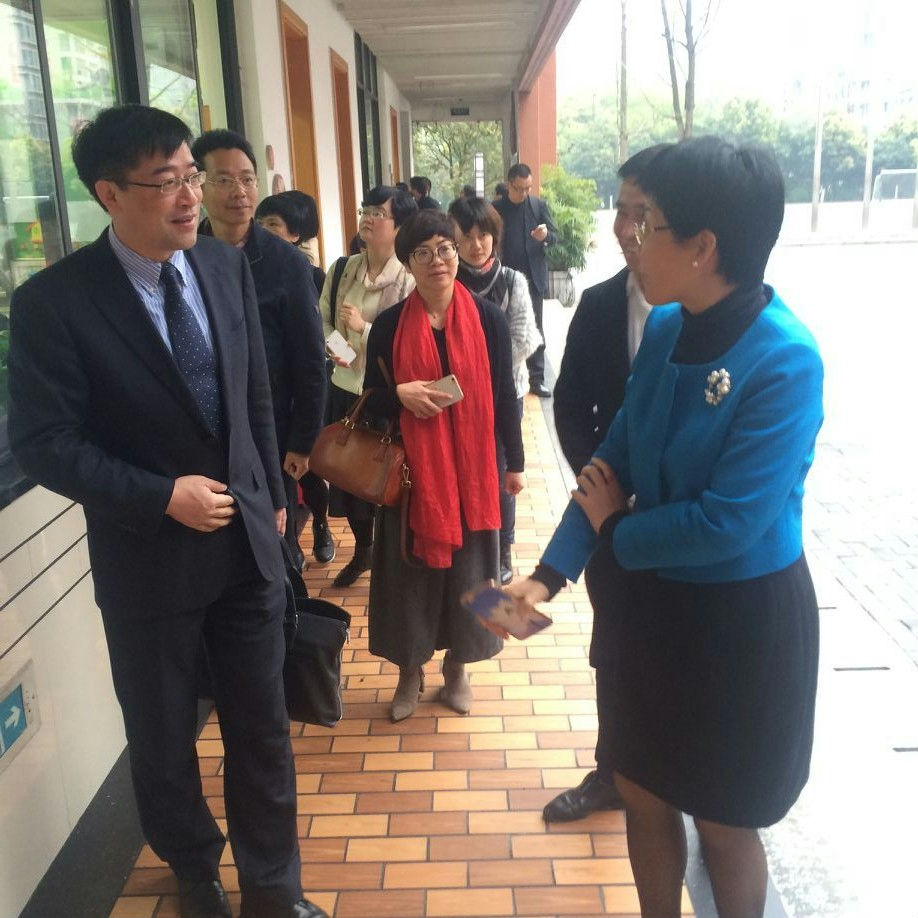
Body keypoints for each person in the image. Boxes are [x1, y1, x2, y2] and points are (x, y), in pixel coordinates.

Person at [7, 105, 327, 918]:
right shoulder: (55, 303)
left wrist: (274, 498)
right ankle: (193, 868)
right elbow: (44, 443)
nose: (192, 197)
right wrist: (159, 496)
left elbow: (253, 396)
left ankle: (274, 889)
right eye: (167, 182)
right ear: (110, 194)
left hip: (247, 550)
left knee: (261, 730)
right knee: (161, 739)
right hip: (147, 562)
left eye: (192, 176)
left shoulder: (222, 266)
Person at [507, 137, 823, 918]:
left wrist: (617, 533)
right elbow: (611, 462)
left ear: (703, 246)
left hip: (736, 624)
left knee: (724, 820)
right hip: (648, 612)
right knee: (643, 790)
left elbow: (727, 523)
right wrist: (546, 576)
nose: (628, 236)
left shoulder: (786, 361)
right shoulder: (666, 328)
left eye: (645, 221)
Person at [543, 144, 671, 824]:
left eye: (641, 214)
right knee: (614, 647)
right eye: (620, 212)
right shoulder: (598, 305)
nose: (625, 230)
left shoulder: (714, 328)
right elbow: (572, 407)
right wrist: (601, 488)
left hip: (681, 537)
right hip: (608, 518)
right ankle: (612, 771)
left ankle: (670, 777)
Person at [361, 209, 525, 722]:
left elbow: (504, 395)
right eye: (424, 252)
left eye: (445, 249)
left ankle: (458, 669)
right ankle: (410, 671)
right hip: (414, 477)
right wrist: (399, 395)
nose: (438, 260)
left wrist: (515, 462)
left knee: (471, 577)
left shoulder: (488, 319)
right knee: (409, 579)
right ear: (408, 262)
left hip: (473, 474)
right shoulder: (389, 325)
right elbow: (367, 402)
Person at [192, 130, 329, 572]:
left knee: (275, 548)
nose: (239, 191)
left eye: (248, 179)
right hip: (207, 435)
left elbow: (310, 360)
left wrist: (303, 442)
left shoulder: (286, 263)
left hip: (271, 434)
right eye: (224, 179)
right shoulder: (183, 256)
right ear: (198, 185)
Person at [318, 185, 417, 586]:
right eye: (366, 210)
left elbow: (410, 340)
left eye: (379, 213)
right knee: (348, 476)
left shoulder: (409, 277)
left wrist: (364, 328)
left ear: (399, 226)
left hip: (386, 394)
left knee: (388, 475)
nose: (368, 218)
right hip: (345, 386)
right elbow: (323, 318)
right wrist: (339, 347)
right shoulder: (343, 268)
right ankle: (363, 550)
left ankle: (393, 558)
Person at [449, 195, 540, 584]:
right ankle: (470, 542)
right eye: (467, 236)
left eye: (483, 235)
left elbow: (524, 338)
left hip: (504, 394)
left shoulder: (512, 280)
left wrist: (480, 370)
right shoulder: (447, 281)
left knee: (502, 470)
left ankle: (503, 547)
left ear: (494, 236)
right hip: (457, 396)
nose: (476, 244)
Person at [254, 190, 336, 564]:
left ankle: (321, 522)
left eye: (273, 224)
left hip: (304, 392)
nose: (263, 230)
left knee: (308, 469)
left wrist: (341, 351)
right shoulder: (247, 267)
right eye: (261, 223)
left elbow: (323, 332)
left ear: (295, 233)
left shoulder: (311, 275)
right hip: (269, 400)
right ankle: (292, 549)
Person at [493, 163, 557, 398]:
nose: (525, 193)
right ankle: (505, 377)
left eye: (528, 188)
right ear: (509, 184)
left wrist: (545, 236)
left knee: (535, 327)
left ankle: (537, 378)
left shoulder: (538, 206)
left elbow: (554, 236)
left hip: (532, 277)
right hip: (503, 278)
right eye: (520, 188)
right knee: (503, 326)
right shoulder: (495, 209)